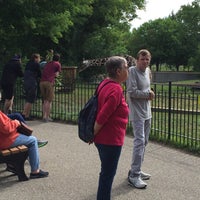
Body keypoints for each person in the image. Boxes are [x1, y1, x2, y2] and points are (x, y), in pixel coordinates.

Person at [93, 56, 129, 200]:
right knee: (107, 175)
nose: (128, 70)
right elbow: (102, 116)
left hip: (103, 138)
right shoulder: (115, 90)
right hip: (110, 140)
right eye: (126, 67)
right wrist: (92, 133)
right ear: (119, 71)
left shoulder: (104, 83)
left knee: (106, 173)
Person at [126, 49, 155, 189]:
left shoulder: (148, 70)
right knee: (139, 142)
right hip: (137, 113)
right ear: (137, 60)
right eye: (142, 59)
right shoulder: (132, 71)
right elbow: (131, 92)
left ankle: (136, 169)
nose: (145, 61)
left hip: (147, 112)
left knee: (145, 142)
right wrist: (148, 94)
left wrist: (147, 94)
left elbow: (146, 89)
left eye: (147, 59)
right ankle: (134, 176)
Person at [0, 111, 49, 179]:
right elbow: (6, 128)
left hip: (4, 139)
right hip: (5, 141)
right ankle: (35, 171)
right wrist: (15, 123)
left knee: (27, 138)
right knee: (33, 140)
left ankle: (12, 165)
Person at [40, 53, 61, 122]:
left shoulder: (48, 63)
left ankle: (43, 116)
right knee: (49, 101)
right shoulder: (57, 64)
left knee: (44, 100)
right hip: (49, 82)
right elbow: (57, 75)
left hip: (42, 82)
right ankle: (47, 117)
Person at [22, 53, 41, 120]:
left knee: (28, 99)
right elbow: (39, 74)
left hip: (26, 82)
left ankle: (26, 114)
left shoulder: (28, 63)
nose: (39, 60)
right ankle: (25, 114)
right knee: (30, 99)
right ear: (36, 58)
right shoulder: (36, 64)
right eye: (39, 58)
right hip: (32, 82)